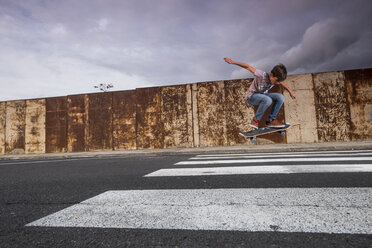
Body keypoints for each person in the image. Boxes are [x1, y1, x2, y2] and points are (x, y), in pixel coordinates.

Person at [224, 57, 296, 129]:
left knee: (281, 97)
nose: (277, 83)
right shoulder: (261, 75)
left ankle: (271, 120)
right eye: (276, 81)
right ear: (271, 75)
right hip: (251, 97)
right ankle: (255, 121)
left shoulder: (276, 79)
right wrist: (232, 62)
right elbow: (248, 66)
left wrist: (290, 91)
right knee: (268, 100)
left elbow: (281, 83)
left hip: (263, 96)